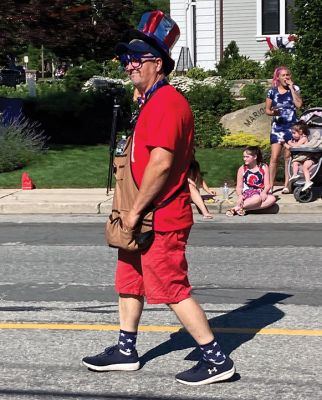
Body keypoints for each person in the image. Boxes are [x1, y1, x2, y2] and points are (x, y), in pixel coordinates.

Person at [82, 10, 235, 386]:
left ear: (158, 64)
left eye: (136, 58)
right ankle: (125, 349)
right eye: (125, 58)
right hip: (139, 212)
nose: (128, 64)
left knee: (170, 288)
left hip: (158, 215)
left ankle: (216, 360)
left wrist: (133, 213)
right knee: (129, 279)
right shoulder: (148, 101)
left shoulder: (167, 103)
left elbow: (161, 165)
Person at [265, 66, 303, 194]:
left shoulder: (295, 88)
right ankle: (270, 186)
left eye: (288, 75)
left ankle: (287, 185)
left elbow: (298, 105)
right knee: (274, 157)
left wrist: (292, 88)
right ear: (278, 77)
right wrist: (273, 112)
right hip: (277, 127)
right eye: (283, 75)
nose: (286, 77)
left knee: (287, 157)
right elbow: (267, 110)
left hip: (291, 128)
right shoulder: (272, 92)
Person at [226, 146, 276, 216]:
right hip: (248, 192)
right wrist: (240, 195)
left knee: (272, 199)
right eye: (244, 157)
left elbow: (267, 185)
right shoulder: (242, 169)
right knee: (257, 198)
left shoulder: (264, 167)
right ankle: (236, 208)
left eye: (247, 157)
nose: (244, 159)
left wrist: (264, 192)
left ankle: (240, 209)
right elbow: (239, 186)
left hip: (260, 191)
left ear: (255, 157)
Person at [286, 122, 317, 191]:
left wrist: (289, 143)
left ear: (300, 132)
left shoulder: (304, 138)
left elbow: (296, 146)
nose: (292, 135)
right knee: (295, 162)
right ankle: (295, 175)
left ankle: (308, 181)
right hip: (302, 158)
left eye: (294, 133)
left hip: (309, 158)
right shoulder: (297, 140)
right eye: (292, 133)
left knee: (305, 166)